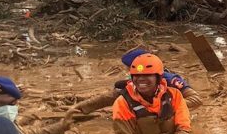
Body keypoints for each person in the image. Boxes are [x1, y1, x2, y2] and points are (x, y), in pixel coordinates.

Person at [75, 49, 203, 115]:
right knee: (119, 90)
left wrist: (166, 105)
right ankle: (80, 109)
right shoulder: (137, 81)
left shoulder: (170, 79)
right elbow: (112, 96)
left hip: (168, 114)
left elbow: (196, 99)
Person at [112, 53, 192, 134]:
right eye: (136, 75)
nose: (141, 79)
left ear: (158, 77)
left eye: (147, 75)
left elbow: (184, 128)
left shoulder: (174, 95)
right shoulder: (122, 102)